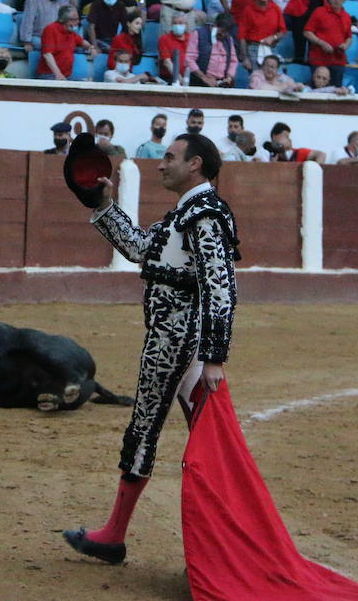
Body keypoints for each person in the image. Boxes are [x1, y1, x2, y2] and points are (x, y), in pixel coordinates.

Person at [63, 132, 236, 564]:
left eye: (170, 157)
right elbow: (141, 248)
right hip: (179, 340)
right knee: (206, 438)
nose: (160, 164)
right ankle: (227, 543)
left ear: (195, 164)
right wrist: (104, 204)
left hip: (175, 341)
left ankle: (114, 536)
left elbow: (221, 287)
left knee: (145, 430)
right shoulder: (187, 213)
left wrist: (215, 356)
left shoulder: (204, 215)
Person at [39, 4, 94, 79]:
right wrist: (58, 74)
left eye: (77, 19)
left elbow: (82, 42)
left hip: (66, 76)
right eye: (73, 20)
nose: (77, 22)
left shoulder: (71, 32)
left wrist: (91, 47)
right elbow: (47, 55)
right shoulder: (50, 29)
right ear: (63, 19)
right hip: (50, 74)